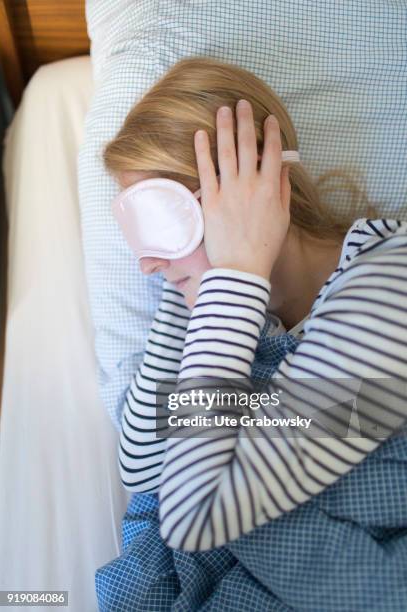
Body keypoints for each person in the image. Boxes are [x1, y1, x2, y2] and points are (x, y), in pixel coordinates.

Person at [99, 56, 407, 610]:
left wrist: (233, 272)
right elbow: (143, 466)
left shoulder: (390, 280)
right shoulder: (237, 315)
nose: (146, 264)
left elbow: (194, 514)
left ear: (254, 192)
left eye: (164, 223)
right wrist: (196, 285)